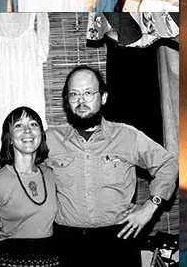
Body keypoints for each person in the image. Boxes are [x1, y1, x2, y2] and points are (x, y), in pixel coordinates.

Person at [47, 66, 178, 267]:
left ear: (104, 97)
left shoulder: (128, 136)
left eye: (88, 93)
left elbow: (168, 163)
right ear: (67, 101)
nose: (81, 101)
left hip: (118, 241)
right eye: (74, 94)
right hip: (67, 244)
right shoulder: (49, 140)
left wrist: (150, 206)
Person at [0, 108, 58, 267]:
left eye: (33, 124)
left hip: (49, 261)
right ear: (10, 138)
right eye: (19, 125)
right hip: (8, 262)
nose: (27, 130)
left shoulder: (51, 175)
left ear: (41, 134)